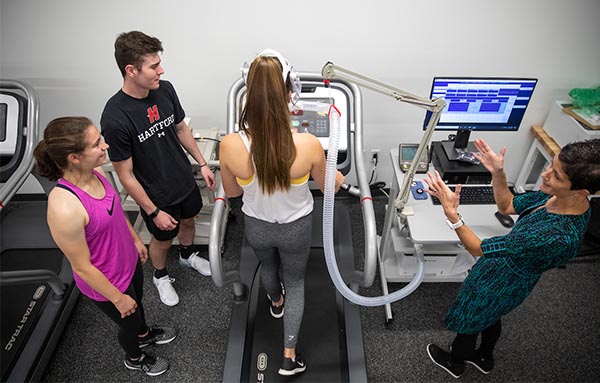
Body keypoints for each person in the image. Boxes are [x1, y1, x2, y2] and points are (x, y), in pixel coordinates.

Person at [422, 137, 600, 378]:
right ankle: (484, 356)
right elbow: (507, 205)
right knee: (492, 314)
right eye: (551, 165)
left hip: (502, 278)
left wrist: (452, 215)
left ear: (582, 191)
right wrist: (497, 172)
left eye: (557, 176)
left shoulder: (553, 234)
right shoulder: (559, 199)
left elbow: (477, 248)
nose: (546, 175)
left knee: (472, 319)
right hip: (512, 273)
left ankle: (455, 362)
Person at [219, 49, 345, 376]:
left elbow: (233, 193)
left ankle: (275, 303)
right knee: (297, 281)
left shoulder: (230, 145)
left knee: (267, 266)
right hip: (296, 228)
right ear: (288, 94)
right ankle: (289, 356)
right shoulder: (308, 146)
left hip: (257, 226)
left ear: (250, 94)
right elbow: (329, 189)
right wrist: (336, 176)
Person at [34, 116, 177, 376]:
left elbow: (115, 211)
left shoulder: (96, 173)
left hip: (128, 262)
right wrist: (117, 298)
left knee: (139, 307)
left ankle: (144, 334)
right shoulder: (64, 207)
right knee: (128, 323)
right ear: (75, 157)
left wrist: (135, 239)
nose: (106, 145)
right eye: (97, 143)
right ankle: (135, 356)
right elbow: (82, 267)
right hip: (106, 281)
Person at [101, 31, 216, 307]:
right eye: (153, 66)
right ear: (131, 70)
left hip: (183, 180)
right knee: (162, 238)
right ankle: (160, 276)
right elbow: (125, 174)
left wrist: (202, 163)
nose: (160, 70)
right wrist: (153, 210)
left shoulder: (165, 89)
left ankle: (187, 255)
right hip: (156, 195)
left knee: (189, 221)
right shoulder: (115, 116)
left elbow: (180, 128)